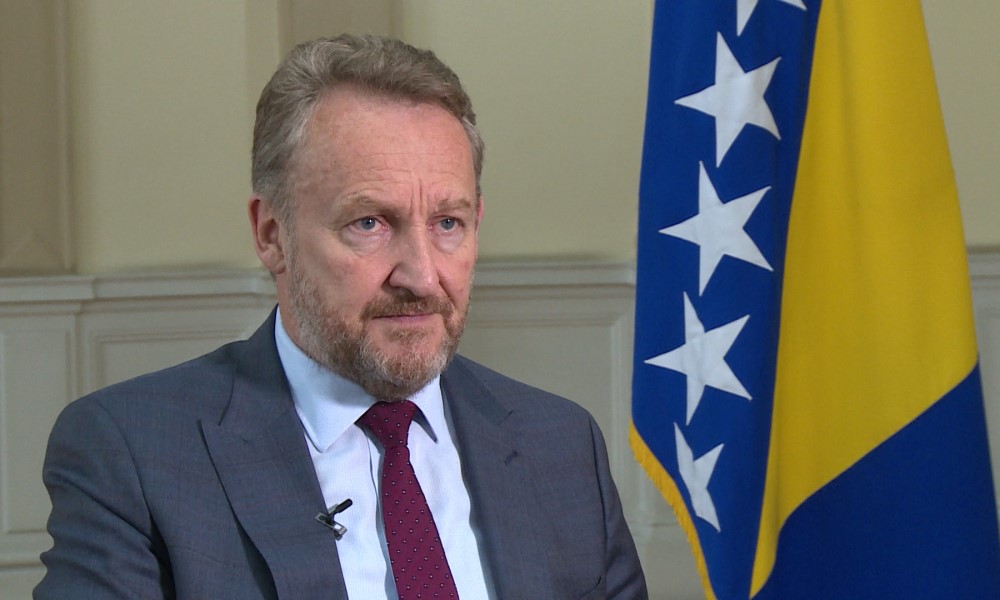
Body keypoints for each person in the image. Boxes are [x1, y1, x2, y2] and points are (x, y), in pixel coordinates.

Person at [34, 34, 647, 599]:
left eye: (447, 223)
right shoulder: (134, 453)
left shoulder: (559, 443)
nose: (421, 276)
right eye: (369, 223)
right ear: (272, 234)